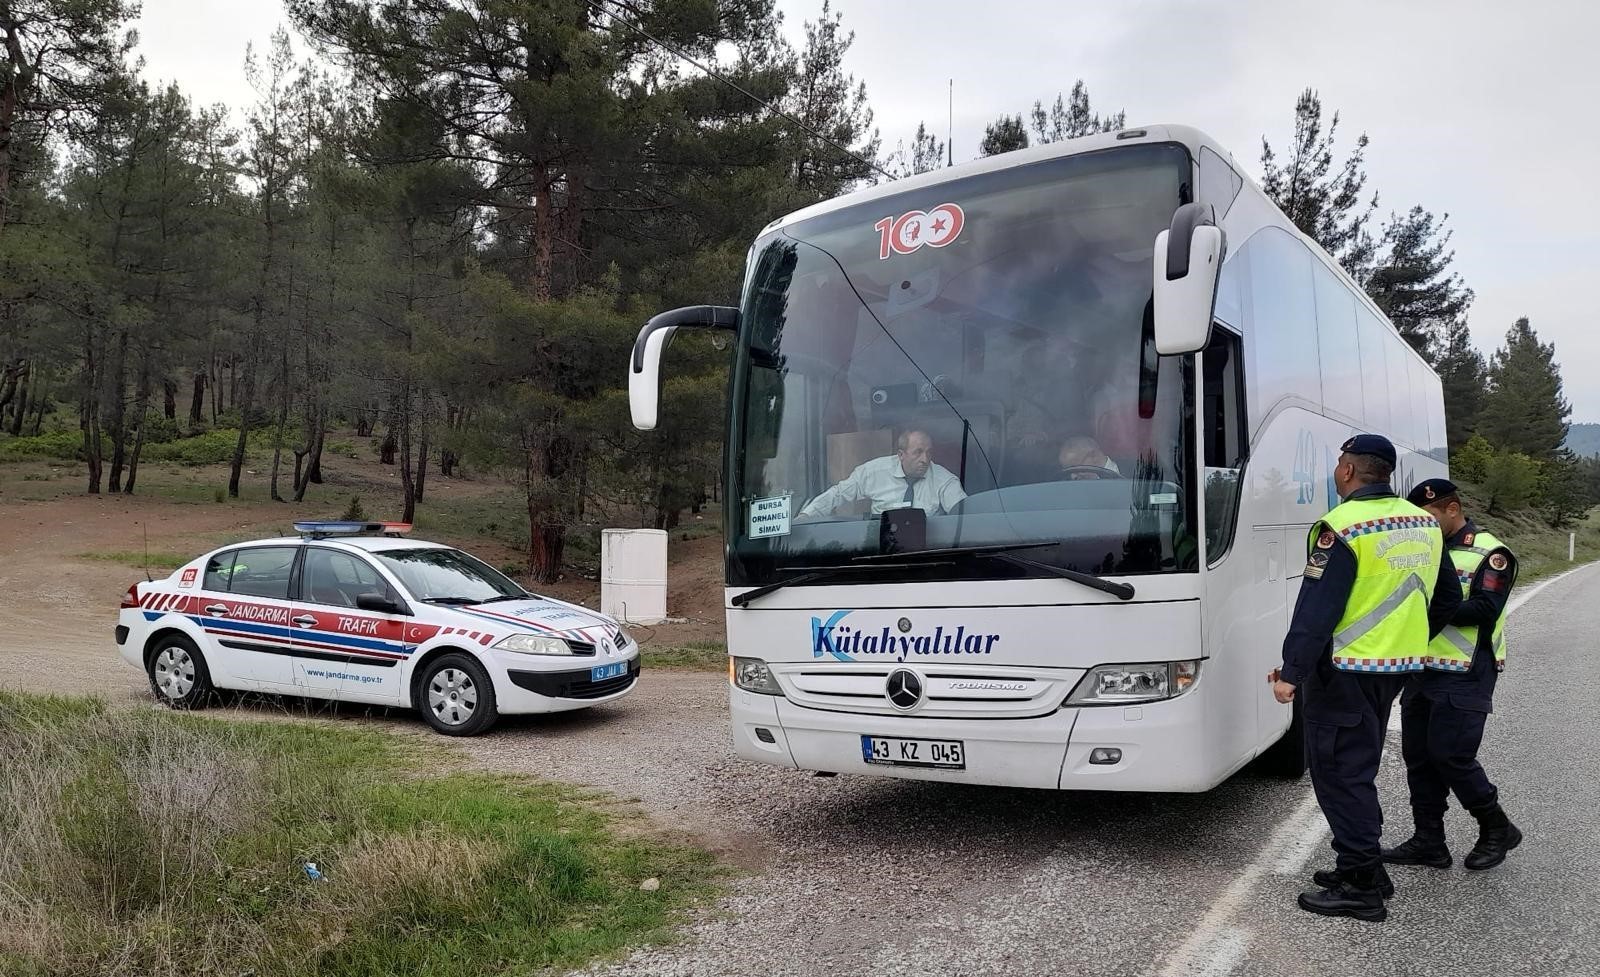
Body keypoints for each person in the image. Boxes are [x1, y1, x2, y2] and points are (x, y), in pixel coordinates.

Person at [1269, 434, 1460, 922]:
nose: (1337, 471)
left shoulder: (1341, 527)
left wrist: (1292, 672)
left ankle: (1360, 885)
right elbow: (1446, 602)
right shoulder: (1424, 522)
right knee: (1359, 767)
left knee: (1340, 775)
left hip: (1346, 670)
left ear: (1349, 471)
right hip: (1395, 669)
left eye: (1339, 463)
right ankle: (1368, 868)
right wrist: (1407, 638)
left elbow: (1317, 609)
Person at [1380, 478, 1521, 872]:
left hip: (1466, 670)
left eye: (1430, 517)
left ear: (1452, 509)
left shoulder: (1490, 553)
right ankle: (1429, 842)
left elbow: (1484, 610)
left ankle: (1496, 828)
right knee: (1419, 759)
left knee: (1451, 756)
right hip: (1422, 668)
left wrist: (1422, 610)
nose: (1423, 524)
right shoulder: (1424, 549)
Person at [797, 429, 966, 519]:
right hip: (878, 555)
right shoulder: (874, 472)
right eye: (918, 452)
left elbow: (963, 517)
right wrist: (806, 516)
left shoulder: (945, 480)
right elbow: (838, 494)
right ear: (901, 455)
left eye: (929, 453)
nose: (925, 459)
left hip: (928, 556)